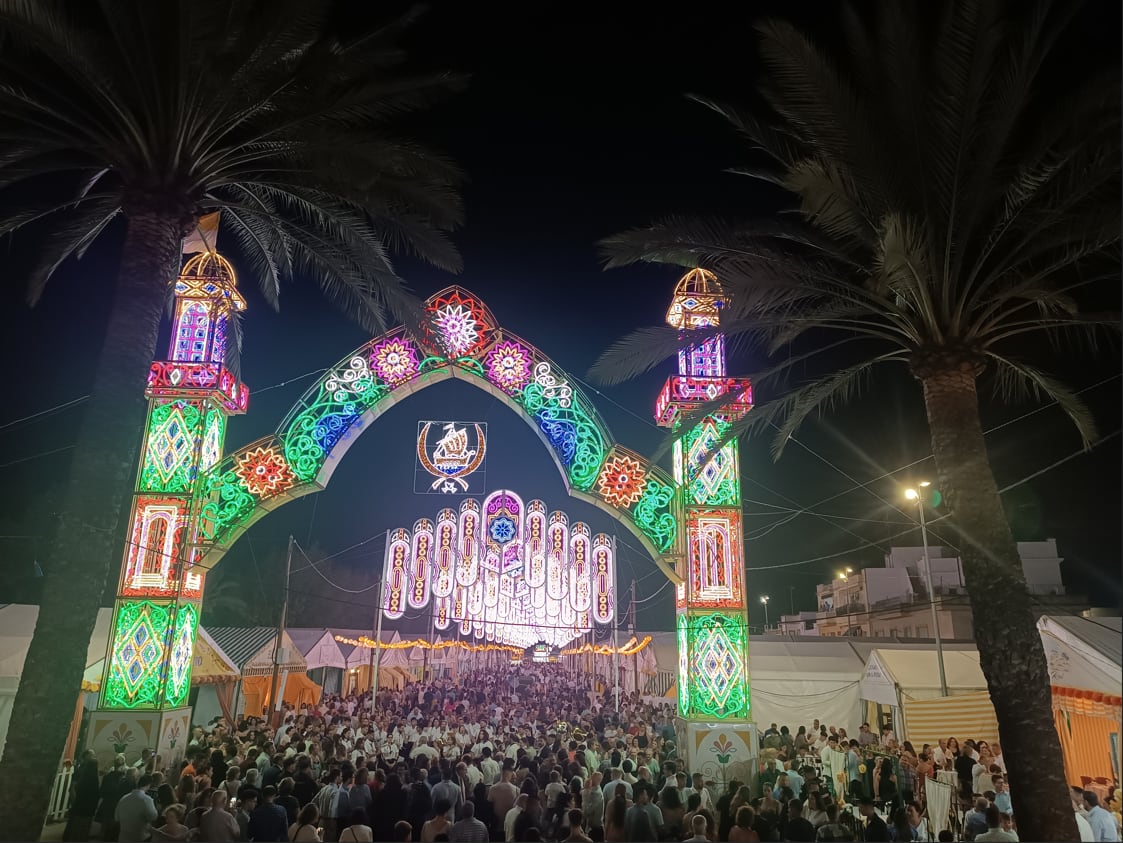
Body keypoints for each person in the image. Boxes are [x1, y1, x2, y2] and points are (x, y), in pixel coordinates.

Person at [64, 750, 101, 842]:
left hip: (81, 806)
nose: (93, 756)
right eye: (91, 755)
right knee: (78, 829)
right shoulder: (80, 771)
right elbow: (72, 788)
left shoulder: (88, 775)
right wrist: (74, 801)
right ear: (85, 756)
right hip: (83, 806)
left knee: (77, 829)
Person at [115, 773, 158, 843]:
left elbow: (116, 817)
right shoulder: (147, 800)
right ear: (149, 785)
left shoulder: (124, 798)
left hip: (123, 837)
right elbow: (153, 817)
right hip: (140, 837)